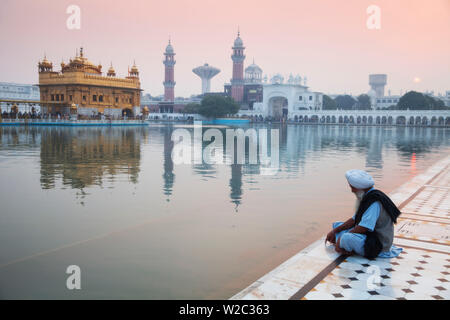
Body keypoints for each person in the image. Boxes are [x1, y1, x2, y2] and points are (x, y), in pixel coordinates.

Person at [325, 169, 403, 259]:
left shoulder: (374, 202)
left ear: (359, 188)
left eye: (352, 187)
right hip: (370, 235)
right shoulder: (367, 197)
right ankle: (344, 244)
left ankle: (345, 247)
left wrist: (340, 239)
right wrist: (335, 231)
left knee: (346, 238)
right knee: (338, 225)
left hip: (378, 244)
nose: (352, 191)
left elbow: (363, 227)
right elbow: (354, 220)